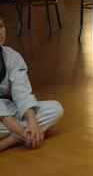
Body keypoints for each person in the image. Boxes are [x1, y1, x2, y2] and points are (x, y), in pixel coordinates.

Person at [0, 13, 63, 152]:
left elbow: (22, 91)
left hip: (10, 110)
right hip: (3, 117)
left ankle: (8, 141)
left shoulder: (12, 56)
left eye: (1, 26)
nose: (0, 32)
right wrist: (23, 131)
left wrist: (32, 121)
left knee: (55, 108)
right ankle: (18, 138)